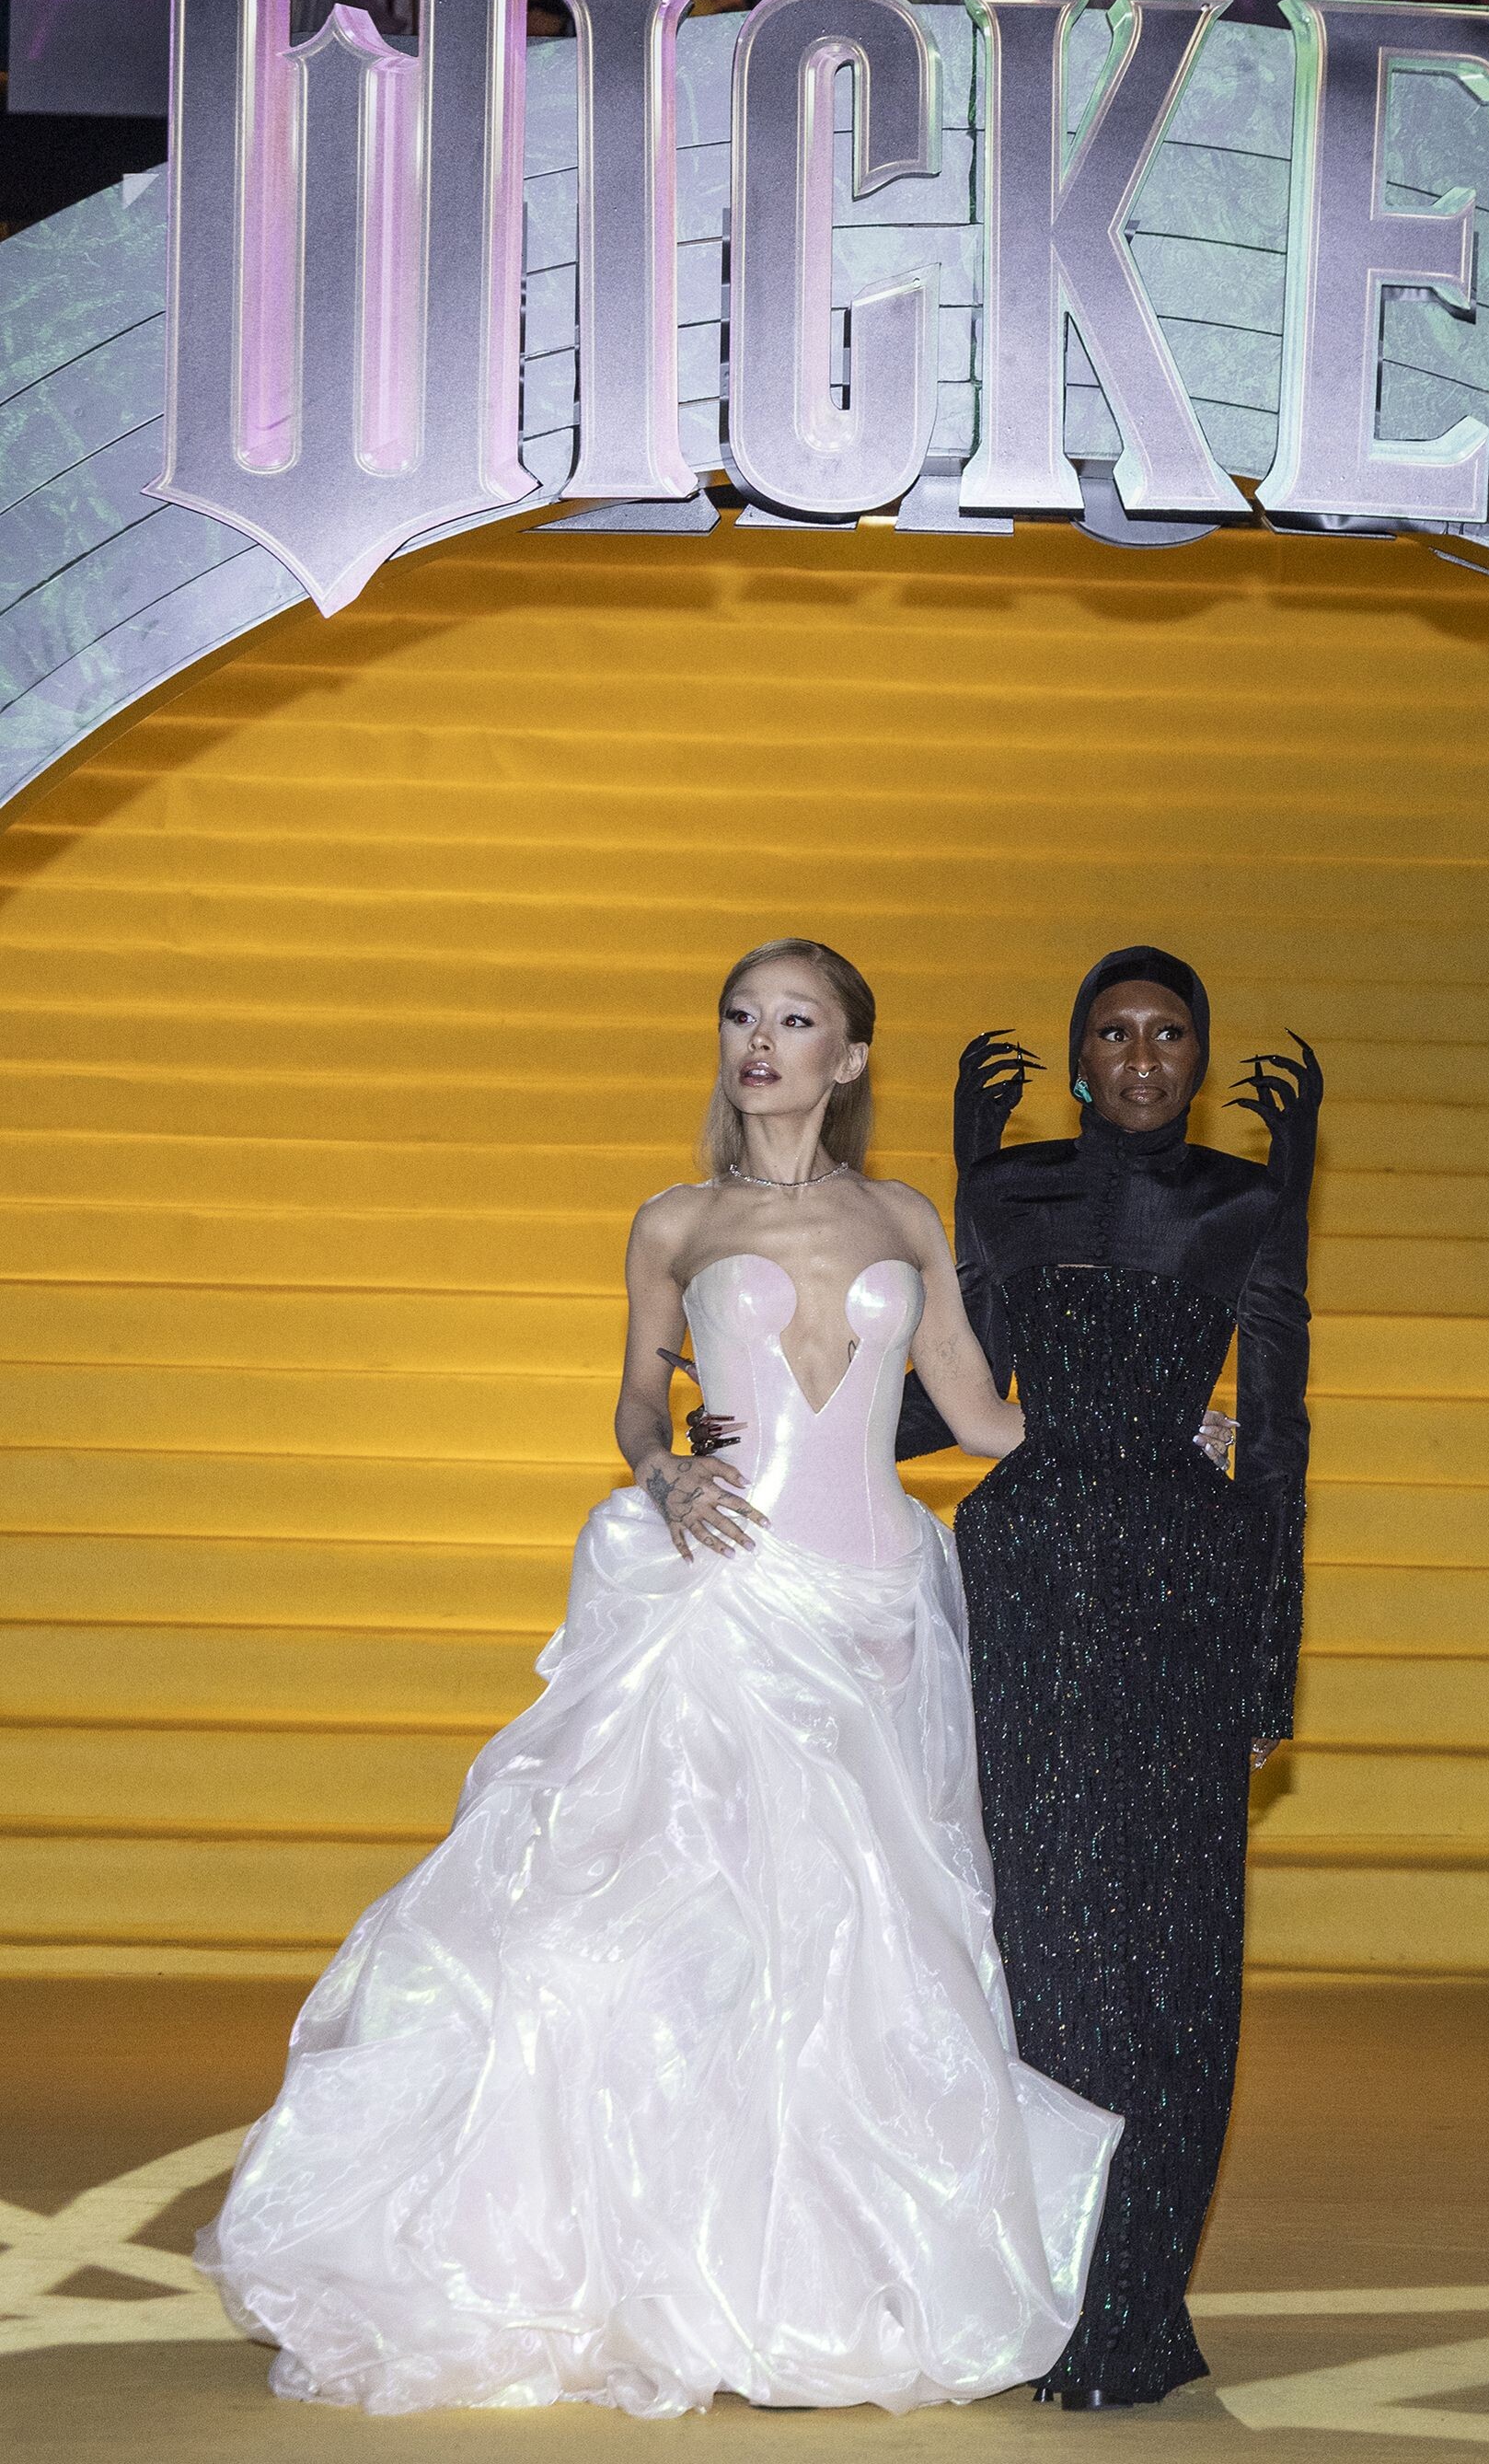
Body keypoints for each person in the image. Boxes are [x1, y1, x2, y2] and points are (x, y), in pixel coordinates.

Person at [197, 939, 1121, 2418]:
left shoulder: (903, 1215)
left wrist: (1147, 1441)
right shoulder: (674, 1222)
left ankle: (823, 2278)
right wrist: (659, 1469)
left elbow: (974, 1414)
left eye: (796, 1020)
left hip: (878, 1611)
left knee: (865, 1946)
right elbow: (639, 1394)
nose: (761, 1041)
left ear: (848, 1058)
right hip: (728, 1596)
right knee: (669, 1925)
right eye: (742, 1016)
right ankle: (628, 2257)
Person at [896, 947, 1320, 2408]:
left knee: (1178, 1951)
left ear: (1196, 1058)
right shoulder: (1006, 1193)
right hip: (1031, 1580)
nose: (1141, 1057)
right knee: (1044, 1935)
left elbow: (1278, 1433)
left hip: (1186, 1588)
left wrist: (1270, 1657)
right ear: (1080, 1059)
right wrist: (770, 1413)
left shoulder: (1248, 1202)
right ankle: (1042, 2290)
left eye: (1167, 1034)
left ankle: (1132, 2300)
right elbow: (951, 1402)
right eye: (1115, 1033)